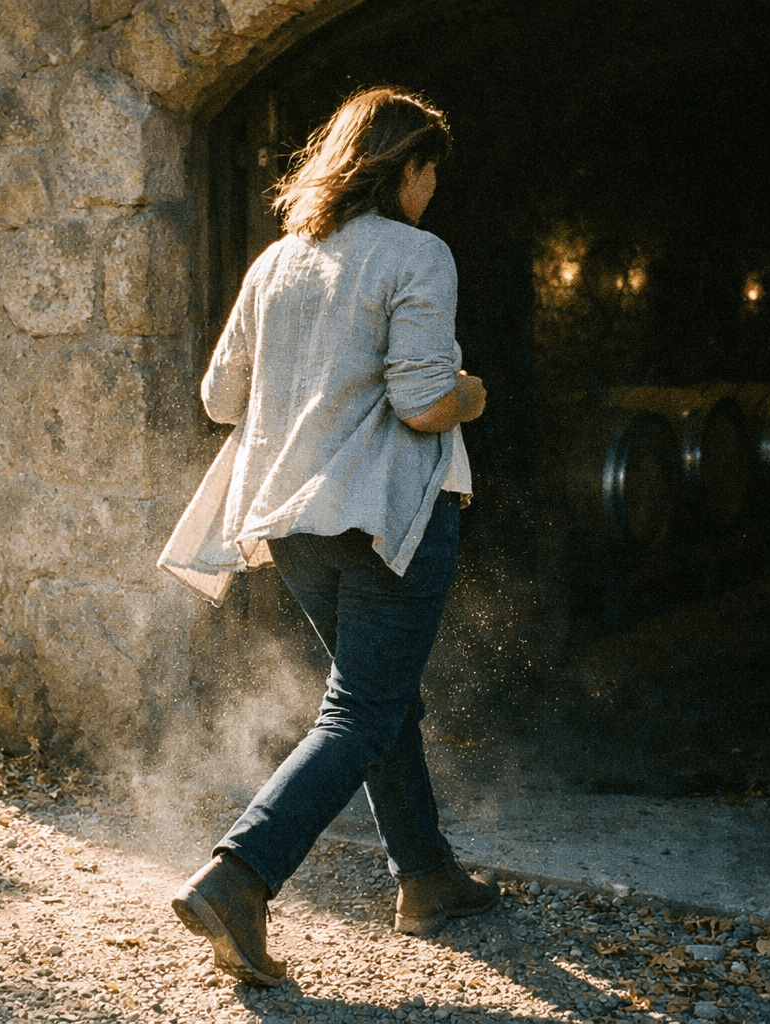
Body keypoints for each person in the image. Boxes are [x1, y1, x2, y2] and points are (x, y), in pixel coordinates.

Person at [157, 87, 494, 988]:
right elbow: (424, 405)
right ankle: (240, 876)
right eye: (431, 173)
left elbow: (220, 400)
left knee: (381, 698)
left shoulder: (277, 263)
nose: (434, 191)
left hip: (291, 525)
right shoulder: (418, 253)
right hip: (386, 520)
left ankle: (425, 878)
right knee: (362, 710)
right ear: (406, 171)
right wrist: (474, 394)